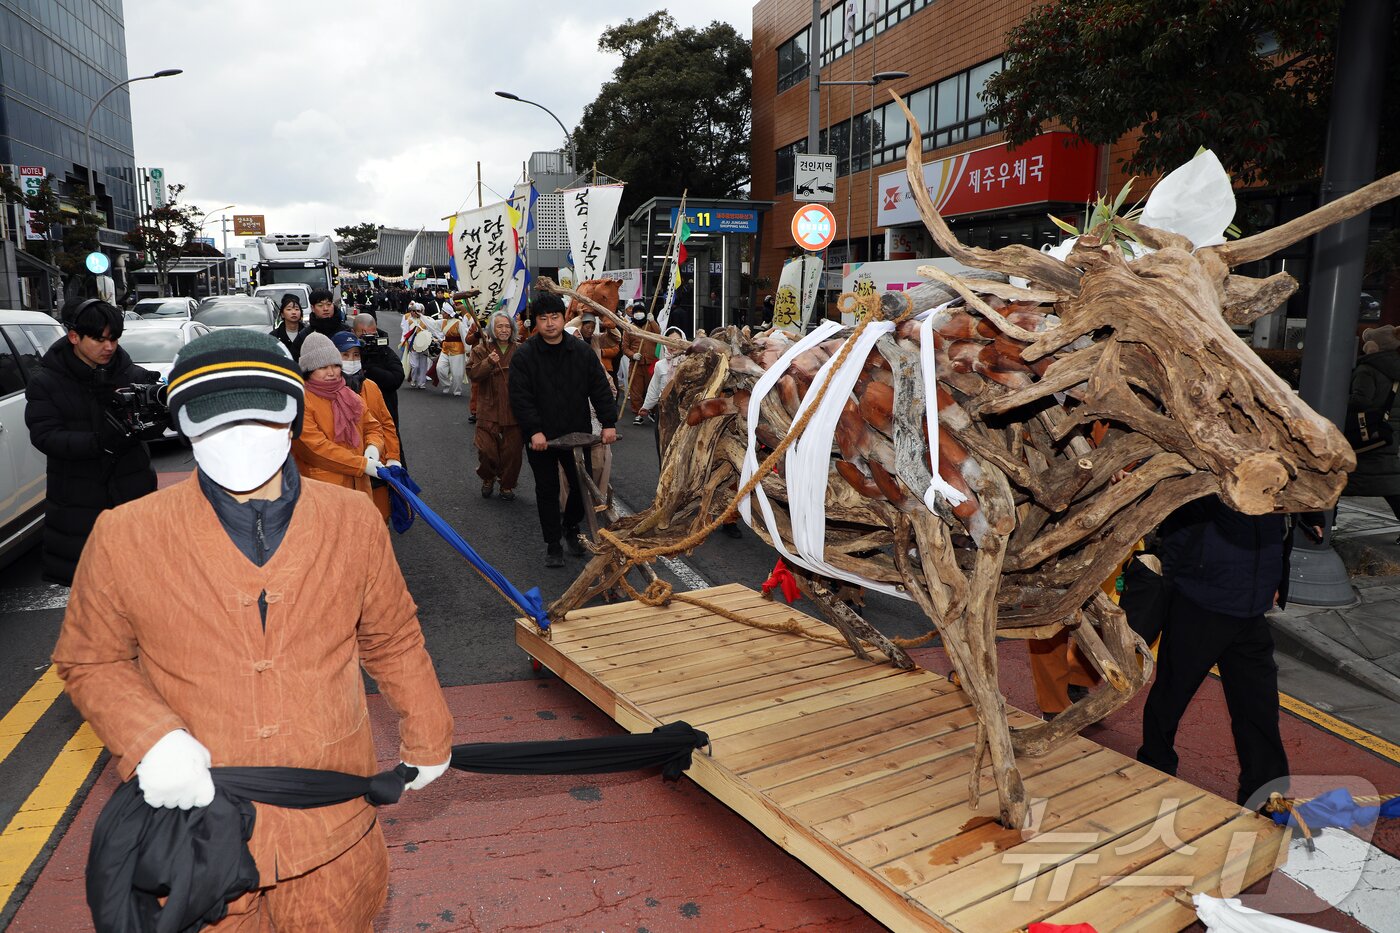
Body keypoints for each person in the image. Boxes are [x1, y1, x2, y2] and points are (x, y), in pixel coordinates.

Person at [52, 328, 452, 930]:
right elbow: (91, 658)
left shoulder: (351, 522)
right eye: (214, 418)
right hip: (198, 832)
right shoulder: (124, 534)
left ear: (291, 412)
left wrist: (428, 729)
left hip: (331, 820)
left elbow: (391, 637)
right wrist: (150, 738)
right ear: (183, 425)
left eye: (258, 414)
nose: (238, 435)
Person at [1135, 497, 1308, 806]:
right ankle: (1153, 766)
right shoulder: (1210, 456)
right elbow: (1177, 511)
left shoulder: (1275, 457)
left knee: (1259, 707)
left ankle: (1266, 795)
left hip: (1251, 608)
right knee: (1172, 694)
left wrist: (1276, 575)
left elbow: (1282, 518)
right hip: (1200, 601)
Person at [24, 298, 158, 585]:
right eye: (99, 339)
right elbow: (45, 436)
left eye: (114, 339)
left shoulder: (132, 374)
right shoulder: (46, 382)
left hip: (133, 493)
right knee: (91, 596)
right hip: (77, 498)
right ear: (74, 337)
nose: (109, 347)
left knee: (141, 588)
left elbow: (151, 425)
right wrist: (99, 442)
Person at [508, 293, 618, 567]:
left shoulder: (581, 352)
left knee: (583, 486)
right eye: (543, 319)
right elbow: (520, 398)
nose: (549, 324)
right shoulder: (525, 355)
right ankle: (553, 544)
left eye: (554, 317)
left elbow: (599, 388)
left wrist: (608, 423)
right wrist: (534, 431)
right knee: (547, 489)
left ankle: (570, 527)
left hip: (576, 434)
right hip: (541, 438)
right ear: (535, 322)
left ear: (563, 318)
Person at [292, 332, 386, 499]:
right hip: (322, 491)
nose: (331, 373)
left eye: (335, 365)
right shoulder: (300, 402)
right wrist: (361, 464)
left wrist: (372, 448)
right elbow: (314, 449)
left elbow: (373, 427)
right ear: (308, 370)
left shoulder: (350, 396)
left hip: (359, 487)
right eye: (322, 367)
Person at [335, 331, 402, 519]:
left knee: (379, 522)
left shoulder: (371, 387)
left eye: (356, 355)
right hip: (345, 473)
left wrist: (393, 458)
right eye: (345, 355)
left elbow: (387, 425)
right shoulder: (328, 390)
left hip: (377, 471)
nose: (352, 360)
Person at [1341, 325, 1400, 538]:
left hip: (1364, 432)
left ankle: (1326, 522)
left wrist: (1335, 397)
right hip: (1387, 434)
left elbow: (1360, 400)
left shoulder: (1368, 369)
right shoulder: (1396, 369)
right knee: (1388, 481)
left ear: (1374, 346)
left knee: (1338, 478)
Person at [468, 310, 522, 500]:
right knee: (486, 450)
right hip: (488, 407)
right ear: (492, 328)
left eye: (507, 326)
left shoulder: (520, 349)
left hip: (513, 409)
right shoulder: (481, 350)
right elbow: (473, 375)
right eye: (499, 326)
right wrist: (488, 363)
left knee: (512, 452)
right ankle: (488, 477)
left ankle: (507, 485)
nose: (504, 330)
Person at [352, 312, 404, 431]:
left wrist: (370, 369)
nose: (369, 340)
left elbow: (397, 378)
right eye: (363, 335)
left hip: (384, 410)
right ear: (354, 332)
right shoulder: (348, 352)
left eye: (372, 335)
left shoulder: (384, 351)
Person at [622, 301, 661, 424]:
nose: (639, 314)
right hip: (636, 364)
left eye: (641, 312)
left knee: (652, 388)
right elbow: (624, 347)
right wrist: (632, 355)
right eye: (636, 312)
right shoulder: (629, 328)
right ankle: (638, 413)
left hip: (651, 364)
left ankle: (653, 411)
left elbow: (659, 334)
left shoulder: (650, 325)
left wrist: (653, 321)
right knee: (636, 390)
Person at [290, 288, 349, 358]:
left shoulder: (346, 331)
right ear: (312, 308)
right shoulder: (305, 335)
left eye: (329, 304)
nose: (325, 308)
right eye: (320, 305)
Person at [435, 301, 469, 397]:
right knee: (439, 368)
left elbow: (464, 336)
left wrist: (468, 350)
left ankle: (457, 390)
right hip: (445, 349)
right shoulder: (443, 322)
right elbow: (433, 323)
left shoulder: (459, 323)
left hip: (457, 349)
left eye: (443, 312)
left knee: (457, 373)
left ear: (448, 313)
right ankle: (446, 384)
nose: (442, 314)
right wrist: (422, 317)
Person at [400, 303, 435, 389]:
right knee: (415, 365)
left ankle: (421, 383)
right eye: (413, 311)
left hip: (424, 346)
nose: (415, 313)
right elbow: (405, 334)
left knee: (423, 365)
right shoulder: (409, 321)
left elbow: (431, 331)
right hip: (413, 346)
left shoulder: (426, 320)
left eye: (417, 311)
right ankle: (413, 379)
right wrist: (407, 344)